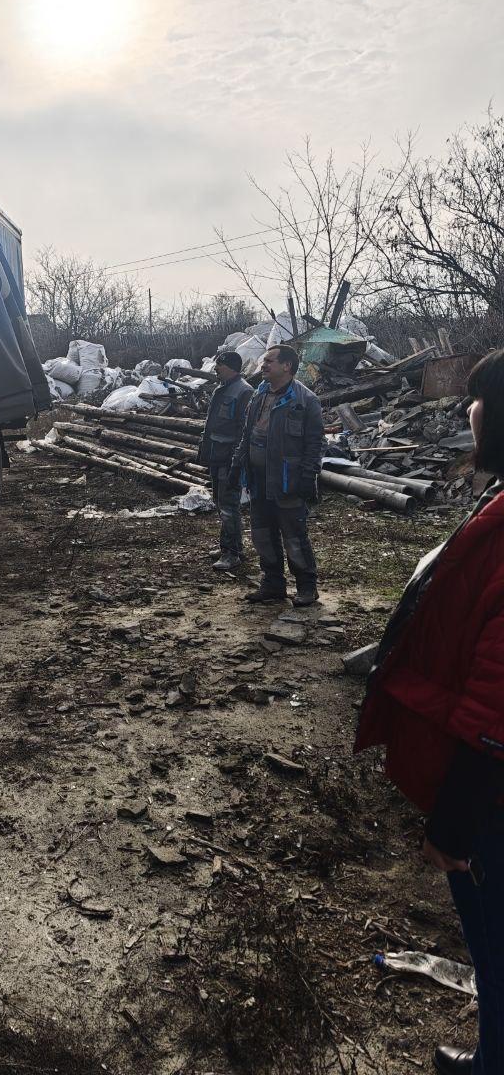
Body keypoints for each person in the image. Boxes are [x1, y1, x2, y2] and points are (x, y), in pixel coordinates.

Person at [356, 350, 504, 1075]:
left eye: (478, 400)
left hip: (492, 791)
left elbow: (498, 698)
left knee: (498, 938)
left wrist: (457, 816)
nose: (468, 412)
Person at [228, 343, 324, 606]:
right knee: (262, 535)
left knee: (294, 537)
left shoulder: (305, 401)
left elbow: (315, 445)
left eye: (270, 361)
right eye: (264, 360)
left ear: (287, 366)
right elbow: (247, 436)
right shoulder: (259, 396)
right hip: (258, 482)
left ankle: (306, 587)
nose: (263, 365)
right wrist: (237, 466)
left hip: (287, 481)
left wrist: (308, 477)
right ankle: (272, 584)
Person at [198, 351, 253, 573]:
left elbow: (245, 430)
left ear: (229, 366)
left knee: (229, 505)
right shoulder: (222, 388)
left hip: (229, 457)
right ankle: (231, 546)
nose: (215, 369)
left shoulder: (244, 391)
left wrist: (236, 460)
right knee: (220, 501)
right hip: (216, 454)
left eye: (219, 365)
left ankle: (231, 553)